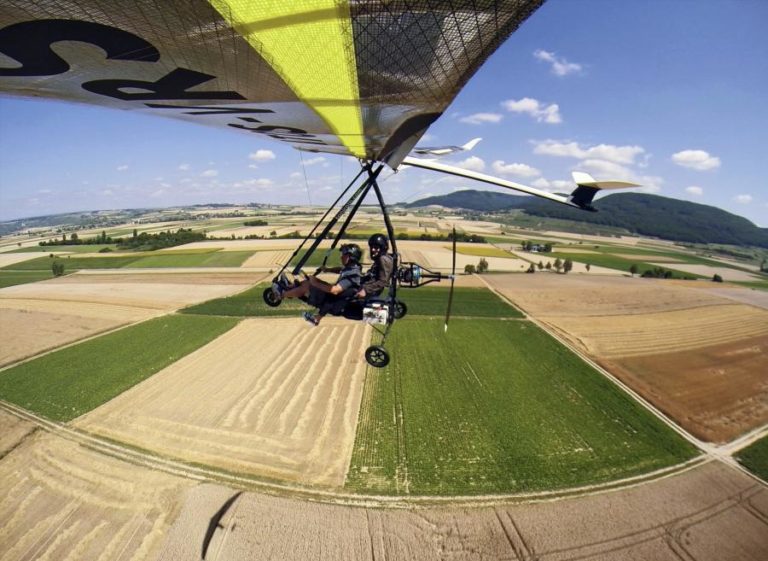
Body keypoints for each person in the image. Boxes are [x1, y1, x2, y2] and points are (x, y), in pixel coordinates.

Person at [274, 243, 362, 326]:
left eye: (344, 255)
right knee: (310, 281)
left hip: (333, 302)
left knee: (307, 286)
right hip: (333, 298)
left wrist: (314, 283)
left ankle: (281, 295)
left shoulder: (352, 275)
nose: (341, 257)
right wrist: (327, 270)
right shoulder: (352, 267)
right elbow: (341, 270)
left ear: (351, 257)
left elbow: (335, 290)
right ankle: (289, 287)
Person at [356, 233, 394, 299]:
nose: (373, 250)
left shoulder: (383, 259)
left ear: (382, 248)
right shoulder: (380, 259)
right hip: (368, 290)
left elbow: (383, 281)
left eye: (376, 247)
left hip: (370, 294)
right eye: (372, 247)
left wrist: (366, 290)